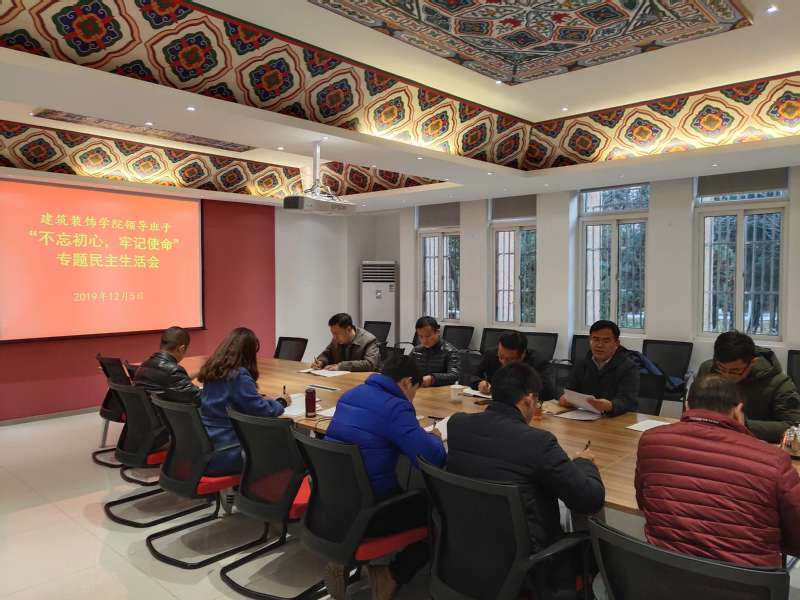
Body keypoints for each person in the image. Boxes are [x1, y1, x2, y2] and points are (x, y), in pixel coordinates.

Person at [448, 362, 605, 595]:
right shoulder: (538, 443)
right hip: (527, 562)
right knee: (592, 542)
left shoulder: (457, 425)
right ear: (529, 399)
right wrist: (584, 463)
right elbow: (589, 500)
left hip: (467, 545)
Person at [636, 374, 800, 567]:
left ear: (687, 407)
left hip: (664, 573)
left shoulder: (651, 441)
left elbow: (644, 503)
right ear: (738, 411)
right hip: (747, 581)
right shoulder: (774, 459)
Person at [325, 354, 446, 600]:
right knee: (439, 513)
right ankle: (391, 575)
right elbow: (431, 458)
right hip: (371, 512)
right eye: (415, 391)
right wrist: (433, 436)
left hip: (332, 502)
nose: (413, 397)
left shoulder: (351, 394)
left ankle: (345, 557)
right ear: (407, 382)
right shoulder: (396, 407)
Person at [197, 327, 287, 476]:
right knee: (287, 450)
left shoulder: (213, 369)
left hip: (206, 447)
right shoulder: (238, 375)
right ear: (248, 352)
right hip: (227, 451)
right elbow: (264, 411)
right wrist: (281, 402)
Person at [696, 330, 800, 442]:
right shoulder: (707, 369)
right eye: (721, 368)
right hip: (709, 439)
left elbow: (794, 427)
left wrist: (743, 424)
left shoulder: (779, 383)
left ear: (752, 363)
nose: (727, 375)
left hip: (755, 444)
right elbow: (694, 408)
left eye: (735, 371)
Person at [559, 320, 639, 416]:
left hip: (616, 418)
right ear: (590, 340)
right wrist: (566, 399)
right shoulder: (582, 363)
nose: (599, 345)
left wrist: (610, 406)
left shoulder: (628, 367)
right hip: (585, 417)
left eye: (606, 341)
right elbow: (571, 390)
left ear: (616, 343)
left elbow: (627, 401)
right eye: (595, 339)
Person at [469, 330, 555, 400]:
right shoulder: (491, 354)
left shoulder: (537, 361)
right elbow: (473, 375)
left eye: (509, 359)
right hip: (494, 404)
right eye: (501, 356)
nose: (503, 362)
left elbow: (548, 392)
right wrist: (479, 383)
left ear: (523, 355)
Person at [134, 326, 201, 404]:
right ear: (181, 349)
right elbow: (198, 398)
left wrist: (198, 373)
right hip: (166, 411)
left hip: (148, 410)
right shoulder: (173, 371)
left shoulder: (145, 364)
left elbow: (171, 381)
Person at [310, 313, 380, 372]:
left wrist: (341, 366)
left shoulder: (369, 340)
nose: (334, 337)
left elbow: (370, 364)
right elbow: (327, 354)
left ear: (348, 329)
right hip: (342, 379)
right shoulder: (336, 339)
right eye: (332, 333)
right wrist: (321, 362)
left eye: (336, 334)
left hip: (363, 380)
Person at [410, 316, 460, 387]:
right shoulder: (416, 350)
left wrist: (432, 378)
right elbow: (405, 369)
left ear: (437, 332)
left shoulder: (450, 351)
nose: (424, 340)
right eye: (421, 336)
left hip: (440, 390)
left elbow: (454, 375)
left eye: (428, 336)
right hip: (419, 389)